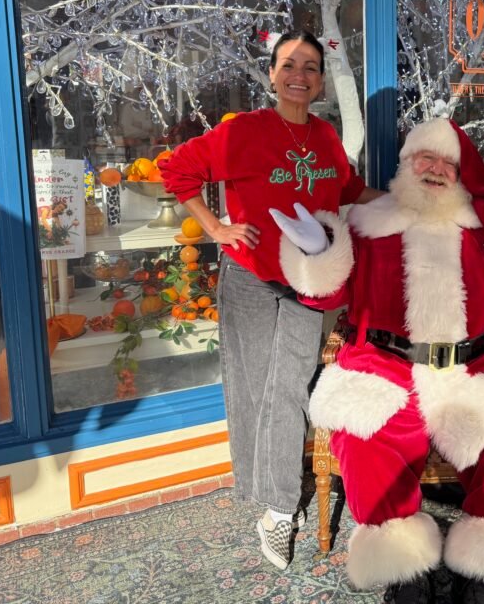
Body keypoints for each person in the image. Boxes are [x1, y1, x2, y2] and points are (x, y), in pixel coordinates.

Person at [270, 118, 484, 604]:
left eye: (448, 164)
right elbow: (329, 291)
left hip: (478, 371)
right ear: (406, 164)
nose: (436, 170)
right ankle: (405, 570)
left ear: (462, 174)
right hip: (388, 370)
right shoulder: (367, 225)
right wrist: (318, 249)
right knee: (360, 431)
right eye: (425, 158)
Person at [160, 30, 381, 571]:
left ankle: (278, 509)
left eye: (309, 65)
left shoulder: (327, 138)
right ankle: (272, 501)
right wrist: (216, 227)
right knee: (253, 386)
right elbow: (176, 170)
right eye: (288, 64)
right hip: (252, 276)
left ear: (321, 80)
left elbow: (348, 190)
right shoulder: (245, 132)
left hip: (309, 278)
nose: (299, 74)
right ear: (272, 74)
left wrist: (412, 201)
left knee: (289, 386)